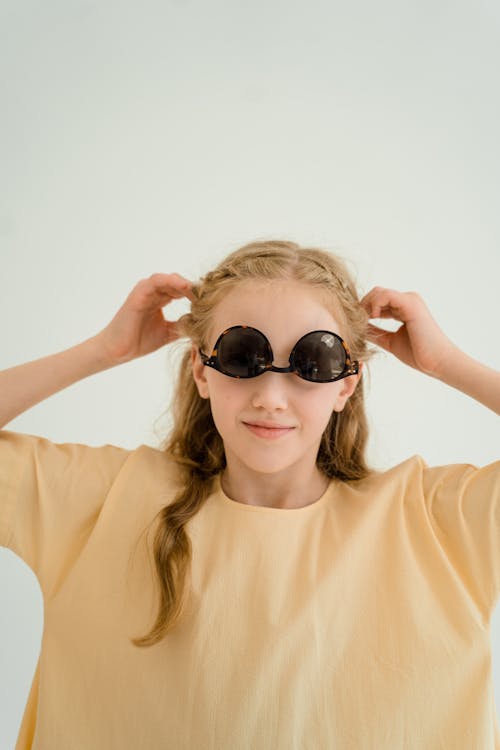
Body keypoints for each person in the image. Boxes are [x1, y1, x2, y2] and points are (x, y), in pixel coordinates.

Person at [0, 239, 499, 749]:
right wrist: (103, 351)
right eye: (242, 356)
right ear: (202, 370)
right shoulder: (101, 501)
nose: (271, 397)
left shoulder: (433, 522)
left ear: (346, 385)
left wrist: (447, 363)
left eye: (315, 360)